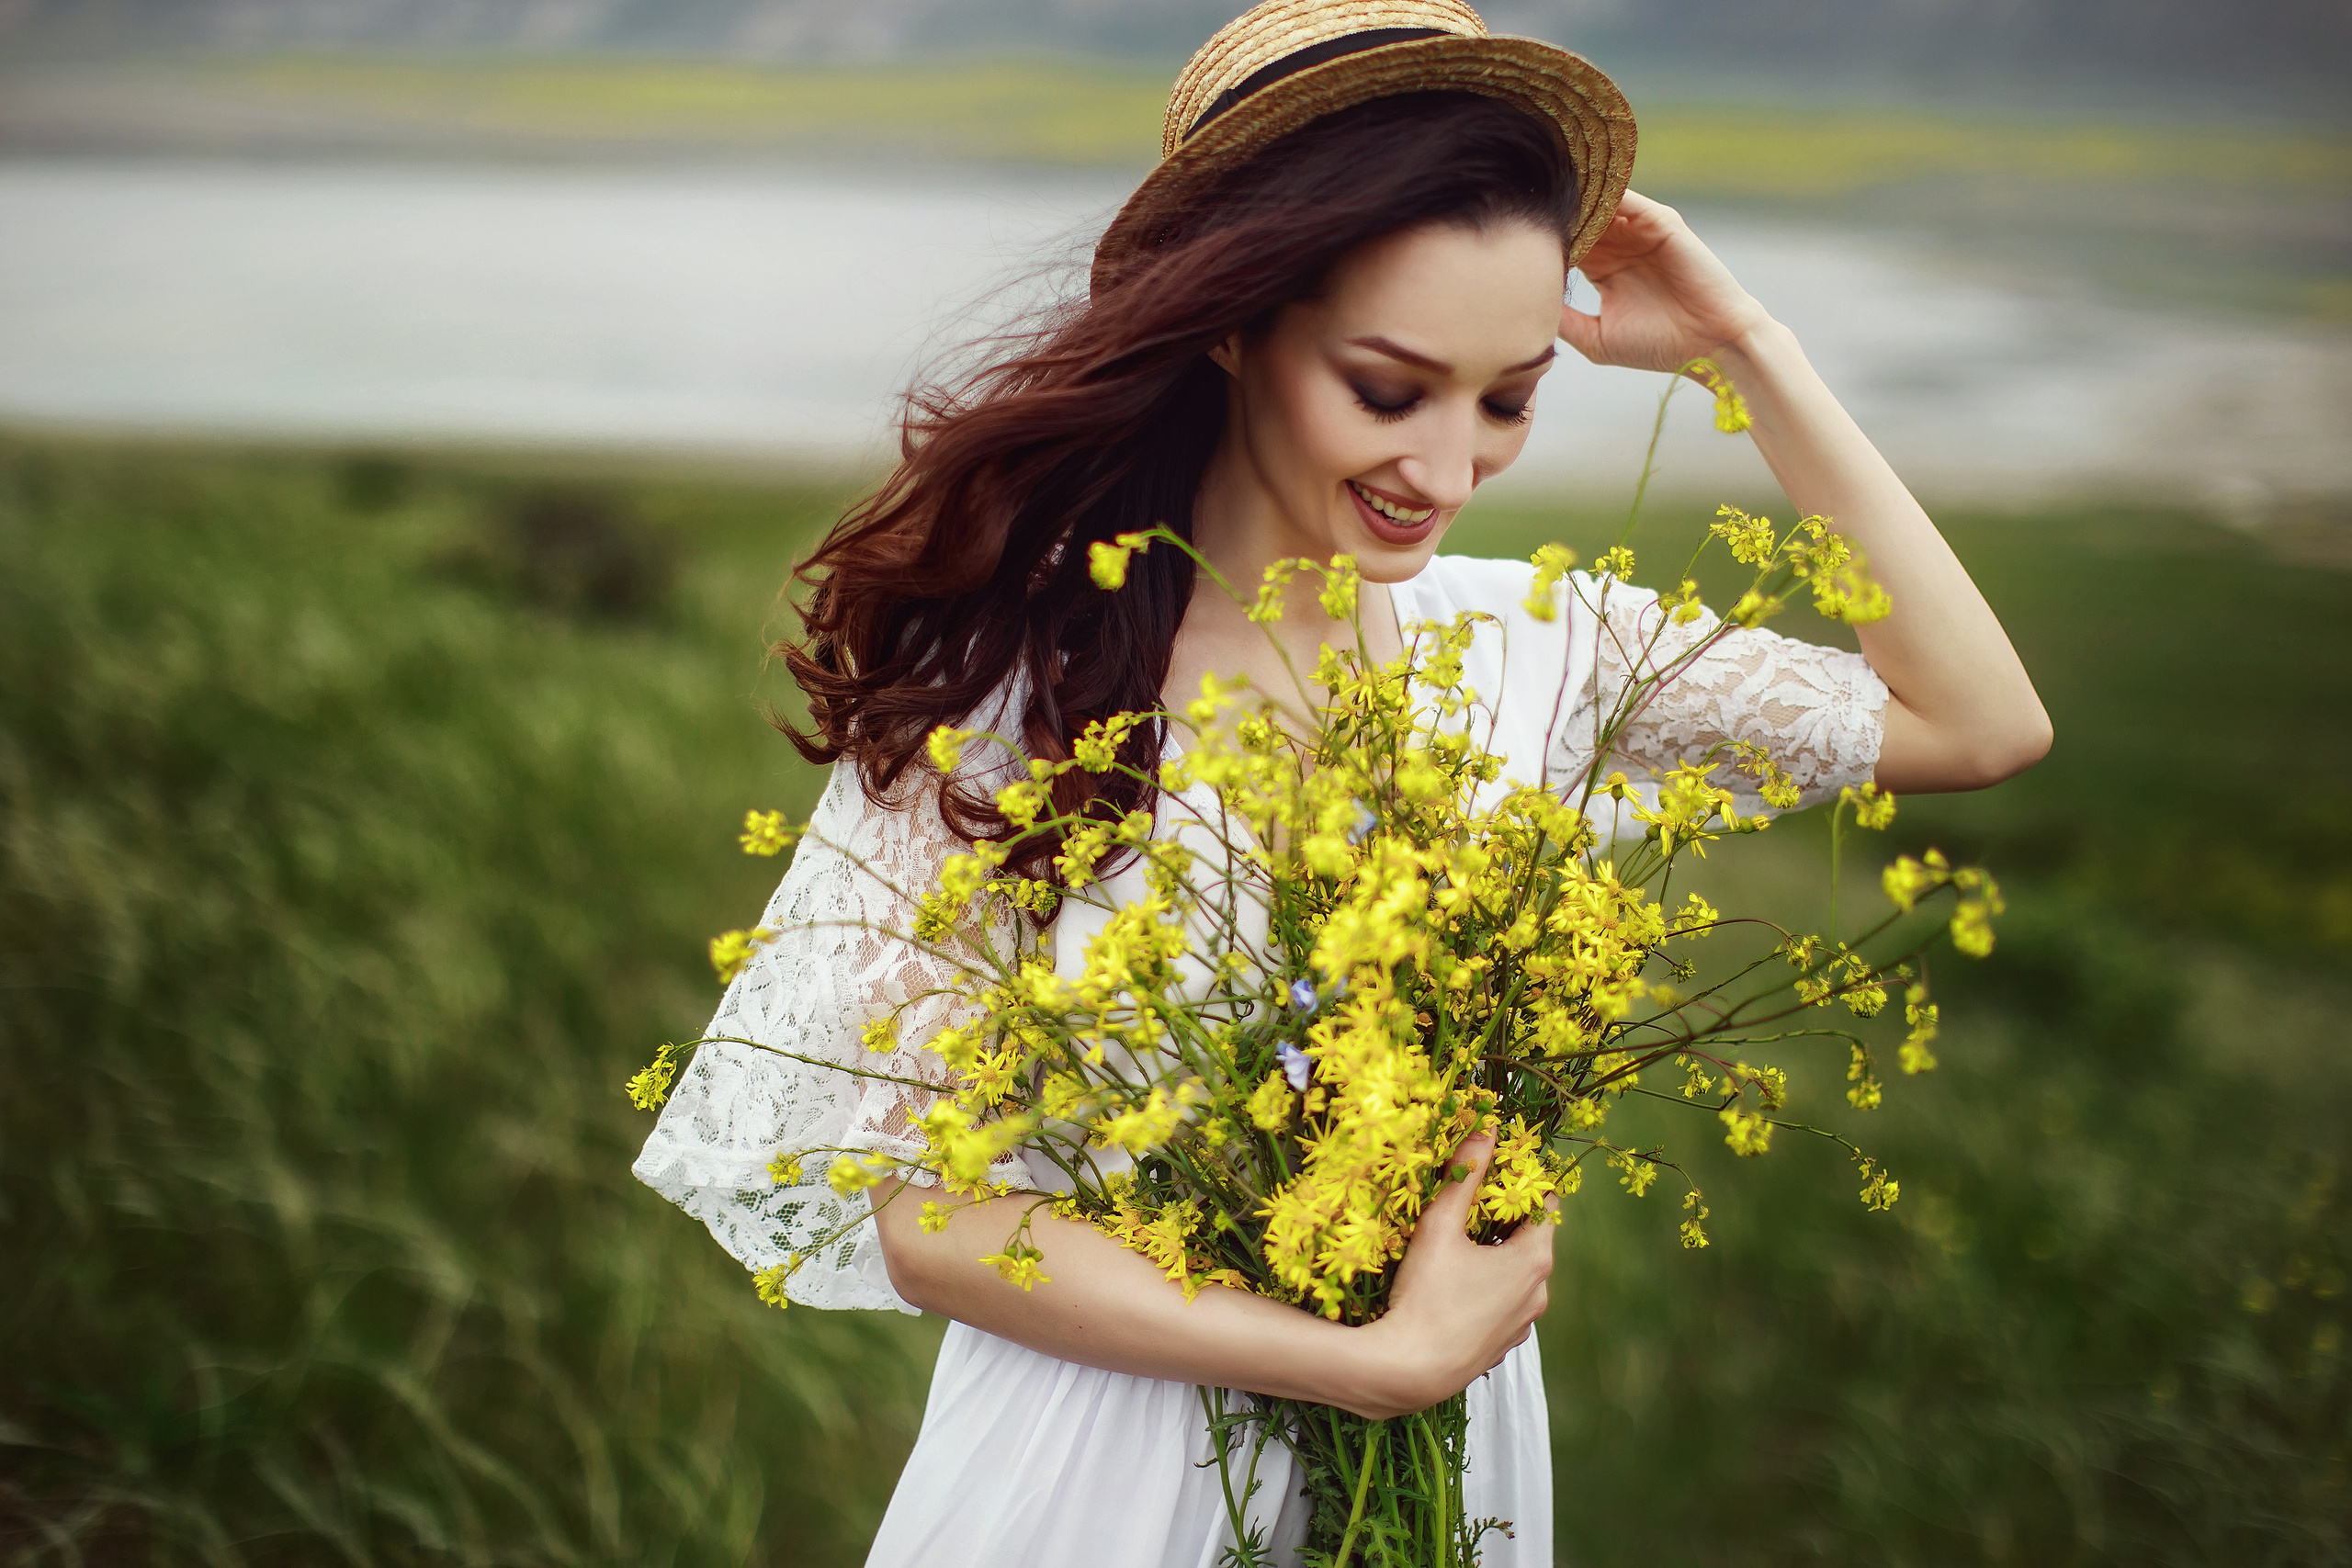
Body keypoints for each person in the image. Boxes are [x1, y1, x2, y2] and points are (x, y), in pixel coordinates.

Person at [633, 2, 2052, 1562]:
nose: (1446, 471)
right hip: (1099, 1477)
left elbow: (1980, 725)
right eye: (1390, 390)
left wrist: (1744, 353)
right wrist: (1365, 1368)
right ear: (1232, 322)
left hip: (1454, 1464)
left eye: (1508, 399)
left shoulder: (1543, 643)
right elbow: (926, 1214)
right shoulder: (1026, 681)